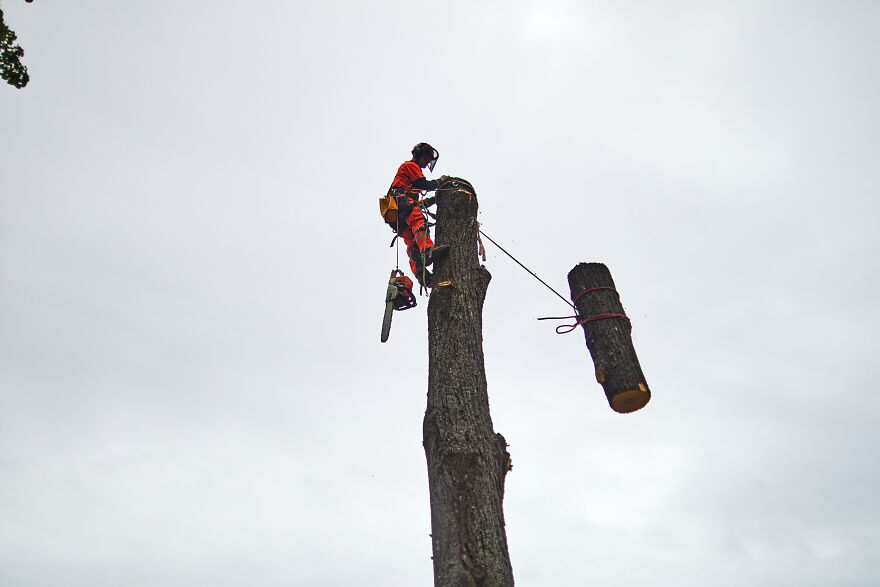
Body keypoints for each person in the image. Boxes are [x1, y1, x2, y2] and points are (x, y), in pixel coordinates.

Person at [386, 143, 449, 288]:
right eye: (426, 159)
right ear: (419, 153)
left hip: (395, 213)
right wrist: (440, 182)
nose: (426, 163)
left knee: (412, 242)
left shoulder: (406, 191)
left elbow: (415, 204)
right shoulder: (410, 166)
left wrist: (433, 200)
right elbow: (423, 184)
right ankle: (427, 251)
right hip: (399, 202)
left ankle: (422, 276)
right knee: (418, 220)